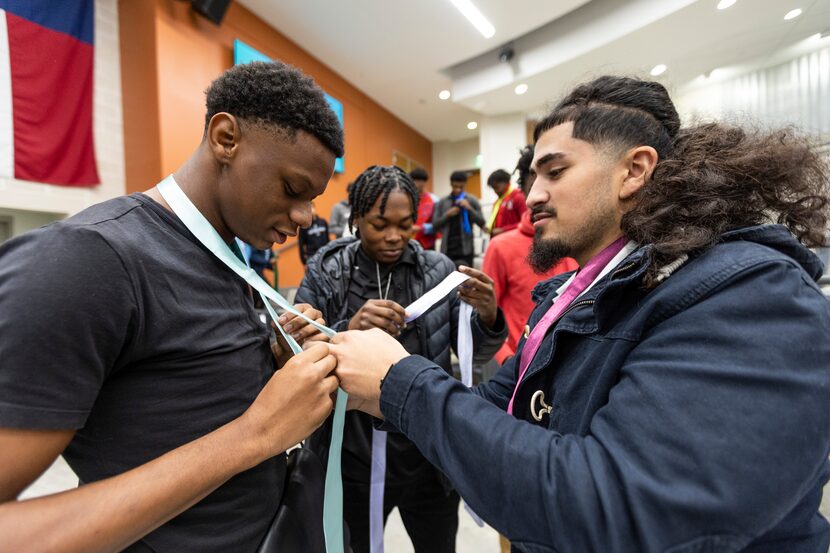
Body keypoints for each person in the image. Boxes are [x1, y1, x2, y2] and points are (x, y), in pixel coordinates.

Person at [327, 76, 830, 552]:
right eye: (531, 177)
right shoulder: (578, 294)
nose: (532, 195)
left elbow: (621, 513)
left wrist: (401, 383)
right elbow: (495, 408)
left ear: (634, 169)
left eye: (555, 171)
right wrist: (375, 385)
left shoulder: (749, 294)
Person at [0, 61, 345, 552]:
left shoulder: (225, 254)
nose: (306, 218)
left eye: (313, 199)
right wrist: (257, 433)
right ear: (226, 138)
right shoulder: (89, 259)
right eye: (293, 190)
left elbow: (174, 395)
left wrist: (273, 362)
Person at [295, 165, 507, 553]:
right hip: (350, 458)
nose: (394, 237)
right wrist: (349, 326)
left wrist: (490, 317)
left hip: (428, 457)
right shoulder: (329, 271)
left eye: (405, 225)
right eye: (380, 225)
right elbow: (299, 354)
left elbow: (473, 350)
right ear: (356, 219)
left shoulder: (437, 270)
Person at [482, 151, 578, 365]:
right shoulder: (501, 247)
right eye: (535, 186)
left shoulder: (582, 242)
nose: (542, 197)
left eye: (555, 176)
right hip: (516, 366)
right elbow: (486, 310)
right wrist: (507, 357)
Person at [433, 170, 485, 268]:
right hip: (447, 250)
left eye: (461, 187)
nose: (458, 190)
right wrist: (447, 215)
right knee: (447, 281)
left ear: (465, 184)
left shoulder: (472, 200)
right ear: (451, 184)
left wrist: (469, 208)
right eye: (455, 187)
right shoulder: (442, 202)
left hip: (466, 250)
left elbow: (482, 223)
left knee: (468, 281)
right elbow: (435, 225)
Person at [485, 168, 526, 237]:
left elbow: (527, 223)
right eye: (493, 188)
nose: (495, 191)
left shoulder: (518, 197)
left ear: (506, 182)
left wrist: (504, 230)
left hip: (514, 241)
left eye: (496, 187)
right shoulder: (497, 202)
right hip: (500, 242)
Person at [409, 167, 438, 250]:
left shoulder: (434, 200)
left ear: (424, 182)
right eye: (414, 180)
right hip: (409, 241)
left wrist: (421, 228)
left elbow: (438, 224)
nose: (416, 183)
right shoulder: (407, 199)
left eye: (419, 181)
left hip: (428, 243)